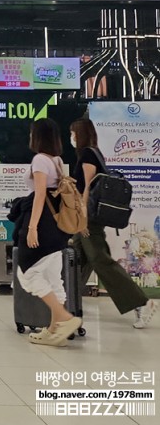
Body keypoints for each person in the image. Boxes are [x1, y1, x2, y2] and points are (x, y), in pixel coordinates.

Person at [69, 119, 155, 328]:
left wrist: (83, 220)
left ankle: (141, 302)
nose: (70, 137)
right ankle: (67, 304)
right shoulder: (93, 153)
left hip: (89, 219)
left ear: (79, 134)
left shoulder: (88, 154)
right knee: (78, 260)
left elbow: (88, 188)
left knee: (100, 260)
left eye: (72, 133)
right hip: (88, 218)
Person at [17, 118, 81, 346]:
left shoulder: (39, 160)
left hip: (42, 224)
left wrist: (32, 228)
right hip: (57, 227)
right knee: (54, 276)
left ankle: (63, 317)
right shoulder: (56, 160)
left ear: (37, 136)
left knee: (28, 274)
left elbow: (40, 195)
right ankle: (55, 330)